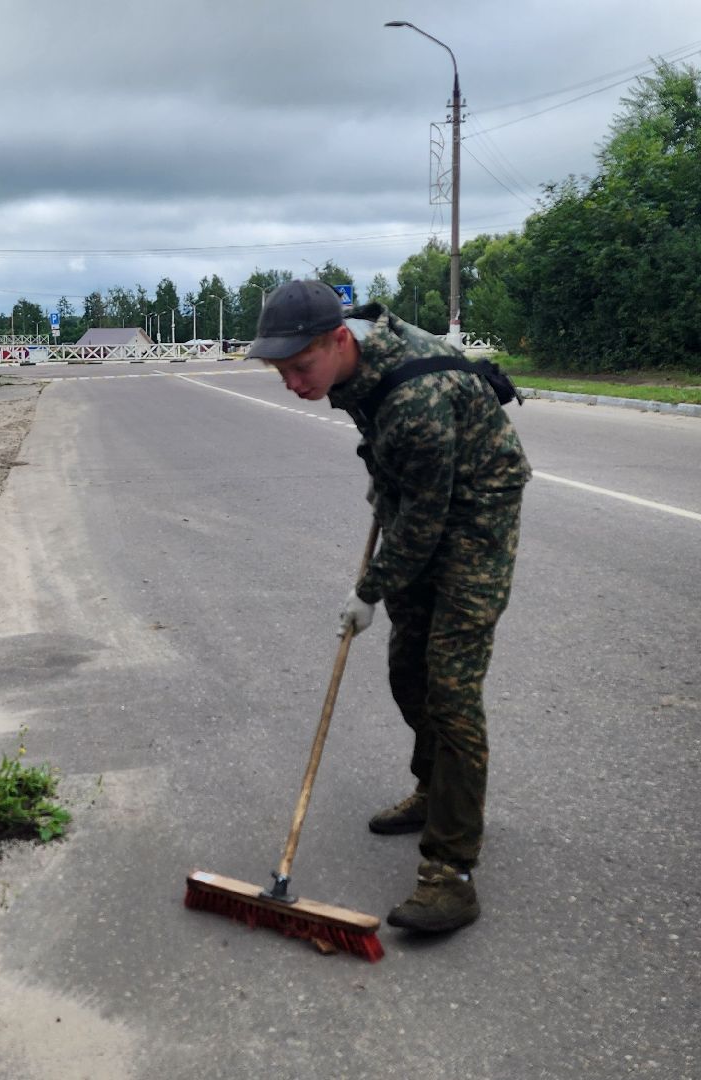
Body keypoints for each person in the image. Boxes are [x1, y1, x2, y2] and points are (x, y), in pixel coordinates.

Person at [247, 280, 531, 934]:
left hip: (478, 513)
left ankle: (452, 872)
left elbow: (427, 520)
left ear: (337, 339)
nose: (292, 383)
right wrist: (385, 485)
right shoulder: (353, 363)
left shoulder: (415, 399)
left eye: (300, 367)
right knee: (408, 669)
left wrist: (368, 591)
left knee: (451, 687)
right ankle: (436, 790)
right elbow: (397, 469)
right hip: (420, 497)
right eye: (281, 371)